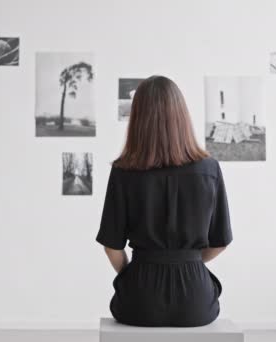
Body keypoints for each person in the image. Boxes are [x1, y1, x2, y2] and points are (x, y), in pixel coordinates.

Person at [96, 75, 233, 327]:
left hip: (139, 300)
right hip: (196, 302)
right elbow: (221, 241)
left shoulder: (123, 171)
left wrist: (133, 275)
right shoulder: (209, 169)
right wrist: (187, 263)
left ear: (138, 119)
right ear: (181, 117)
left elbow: (111, 247)